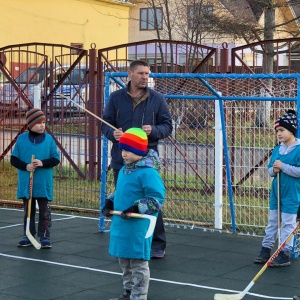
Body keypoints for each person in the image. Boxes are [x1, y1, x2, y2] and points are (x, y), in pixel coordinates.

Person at [101, 59, 172, 259]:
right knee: (123, 200)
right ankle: (127, 241)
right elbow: (105, 124)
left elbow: (168, 126)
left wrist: (154, 130)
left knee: (150, 201)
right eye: (141, 73)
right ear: (130, 75)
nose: (145, 77)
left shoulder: (157, 99)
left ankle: (157, 243)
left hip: (145, 162)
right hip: (120, 159)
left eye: (147, 74)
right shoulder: (116, 98)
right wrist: (111, 134)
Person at [102, 128, 165, 300]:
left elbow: (156, 199)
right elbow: (121, 192)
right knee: (124, 261)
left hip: (138, 225)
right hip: (122, 224)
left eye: (128, 150)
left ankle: (139, 296)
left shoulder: (149, 173)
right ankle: (128, 292)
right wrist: (110, 202)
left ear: (139, 150)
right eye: (122, 149)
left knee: (138, 263)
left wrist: (136, 208)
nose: (124, 154)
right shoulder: (124, 170)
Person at [254, 110, 300, 267]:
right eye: (277, 131)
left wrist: (283, 166)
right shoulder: (277, 149)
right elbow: (269, 170)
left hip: (292, 193)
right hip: (276, 191)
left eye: (282, 130)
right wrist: (274, 169)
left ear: (291, 131)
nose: (278, 134)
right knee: (273, 221)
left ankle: (284, 252)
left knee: (288, 223)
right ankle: (266, 249)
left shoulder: (299, 149)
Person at [11, 108, 60, 249]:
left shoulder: (49, 140)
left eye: (44, 122)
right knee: (28, 211)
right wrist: (26, 166)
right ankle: (28, 235)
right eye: (39, 123)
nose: (42, 125)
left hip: (43, 183)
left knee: (45, 211)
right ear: (30, 124)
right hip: (27, 183)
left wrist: (42, 163)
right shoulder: (21, 140)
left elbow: (55, 159)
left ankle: (44, 236)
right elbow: (14, 160)